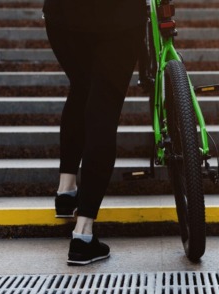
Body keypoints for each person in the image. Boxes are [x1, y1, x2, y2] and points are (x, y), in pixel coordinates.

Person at [42, 0, 147, 265]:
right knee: (104, 108)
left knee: (82, 87)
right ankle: (83, 234)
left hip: (63, 17)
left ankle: (66, 191)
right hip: (119, 19)